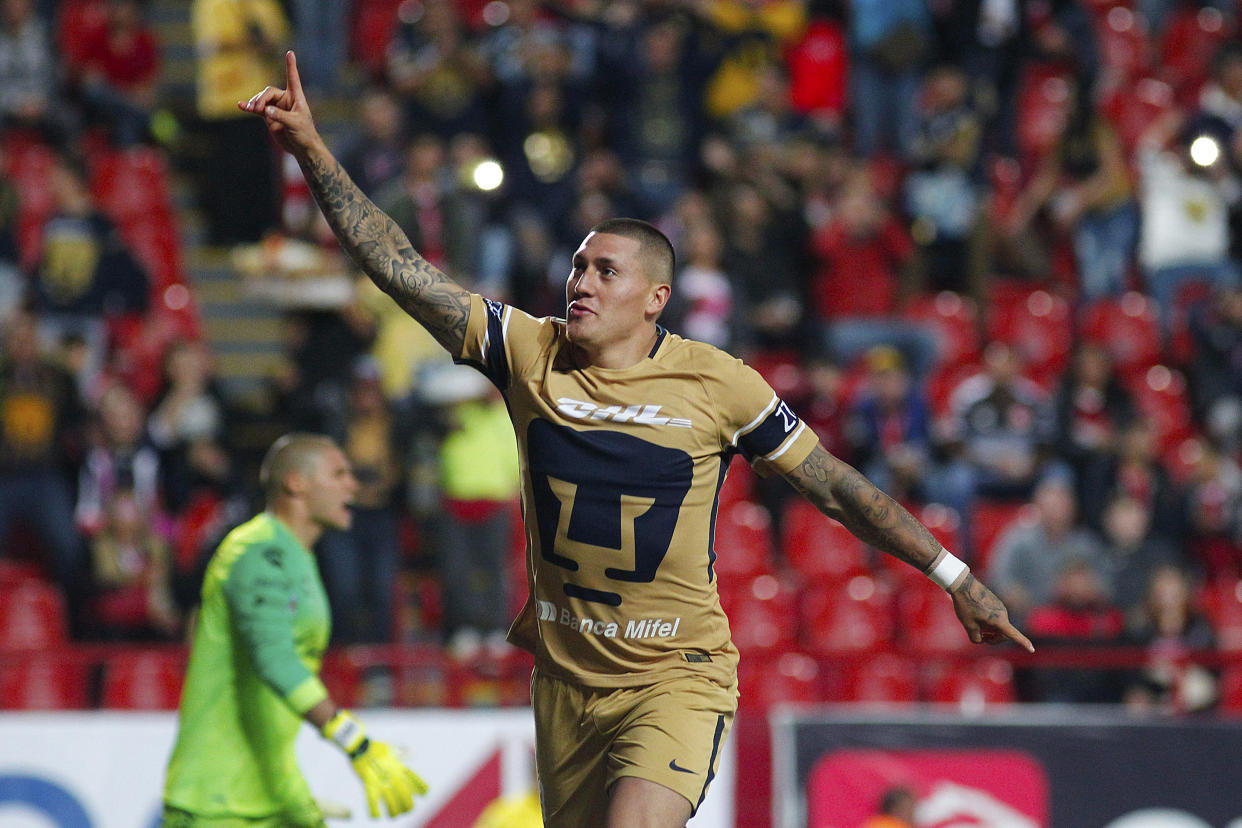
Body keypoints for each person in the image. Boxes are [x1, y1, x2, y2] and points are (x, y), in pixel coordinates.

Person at [241, 52, 1032, 828]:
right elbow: (399, 266)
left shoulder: (720, 383)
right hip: (565, 684)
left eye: (604, 272)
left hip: (674, 678)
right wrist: (312, 151)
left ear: (656, 298)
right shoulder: (526, 349)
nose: (579, 283)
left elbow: (833, 486)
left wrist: (952, 572)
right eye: (577, 266)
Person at [161, 433, 428, 825]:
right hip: (216, 802)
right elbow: (274, 659)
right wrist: (351, 739)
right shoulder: (253, 551)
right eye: (338, 474)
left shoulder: (298, 556)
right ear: (296, 483)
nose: (352, 485)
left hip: (275, 793)